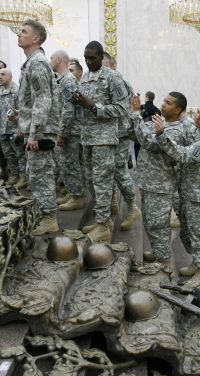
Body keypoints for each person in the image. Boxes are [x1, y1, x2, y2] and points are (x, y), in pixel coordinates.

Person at [153, 99, 200, 286]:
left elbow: (183, 155)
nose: (197, 118)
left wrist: (161, 134)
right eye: (197, 113)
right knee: (186, 233)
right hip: (185, 192)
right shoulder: (195, 126)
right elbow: (184, 120)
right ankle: (197, 262)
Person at [75, 41, 128, 243]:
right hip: (87, 137)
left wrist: (94, 107)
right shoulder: (85, 77)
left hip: (104, 139)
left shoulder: (113, 77)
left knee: (102, 181)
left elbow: (122, 109)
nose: (88, 62)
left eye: (92, 58)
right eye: (85, 58)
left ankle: (103, 226)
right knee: (91, 180)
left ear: (101, 57)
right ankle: (101, 220)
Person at [129, 92, 187, 270]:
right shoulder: (160, 123)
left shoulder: (176, 130)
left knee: (158, 223)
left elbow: (150, 144)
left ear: (178, 109)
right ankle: (158, 250)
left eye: (168, 103)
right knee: (149, 222)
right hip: (148, 181)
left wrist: (136, 113)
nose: (163, 105)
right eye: (164, 101)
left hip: (160, 185)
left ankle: (163, 261)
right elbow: (138, 135)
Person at [16, 19, 62, 236]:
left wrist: (34, 133)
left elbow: (43, 100)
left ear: (35, 38)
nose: (19, 34)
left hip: (41, 132)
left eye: (23, 32)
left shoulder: (37, 63)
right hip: (37, 129)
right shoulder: (32, 62)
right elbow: (33, 100)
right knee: (37, 174)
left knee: (40, 175)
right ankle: (45, 214)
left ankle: (49, 218)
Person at [102, 52, 141, 231]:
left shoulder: (120, 81)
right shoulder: (99, 81)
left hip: (119, 133)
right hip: (103, 135)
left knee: (119, 170)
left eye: (105, 65)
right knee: (105, 171)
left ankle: (132, 207)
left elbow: (127, 108)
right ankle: (112, 203)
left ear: (113, 65)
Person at [51, 49, 85, 211]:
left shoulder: (68, 81)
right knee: (66, 163)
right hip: (68, 129)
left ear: (58, 60)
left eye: (51, 58)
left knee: (70, 163)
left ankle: (77, 196)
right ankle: (73, 192)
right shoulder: (62, 80)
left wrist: (62, 133)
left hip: (71, 130)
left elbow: (68, 109)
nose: (50, 61)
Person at [0, 68, 22, 186]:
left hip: (14, 129)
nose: (0, 77)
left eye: (3, 74)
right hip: (3, 129)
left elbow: (21, 111)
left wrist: (21, 129)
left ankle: (23, 176)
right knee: (8, 154)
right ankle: (14, 174)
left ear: (10, 76)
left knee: (19, 154)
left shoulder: (16, 91)